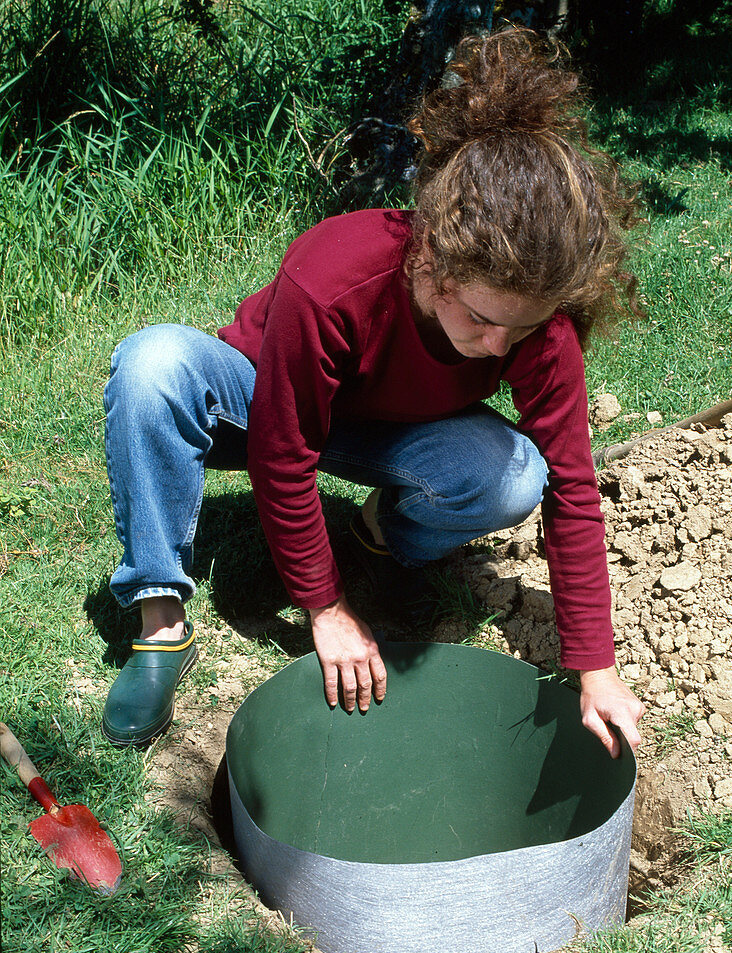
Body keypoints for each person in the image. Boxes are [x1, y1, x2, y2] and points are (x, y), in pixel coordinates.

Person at [101, 26, 645, 757]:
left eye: (520, 330)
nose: (498, 347)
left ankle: (377, 539)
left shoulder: (538, 325)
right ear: (433, 263)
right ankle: (162, 626)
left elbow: (573, 489)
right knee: (152, 363)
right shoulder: (334, 276)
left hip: (390, 430)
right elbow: (283, 452)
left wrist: (595, 666)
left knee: (516, 474)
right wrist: (324, 608)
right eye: (482, 320)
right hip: (261, 401)